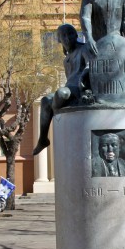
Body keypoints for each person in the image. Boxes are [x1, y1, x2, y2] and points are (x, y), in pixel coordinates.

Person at [33, 24, 90, 155]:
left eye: (70, 34)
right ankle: (43, 139)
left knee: (61, 93)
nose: (67, 38)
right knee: (45, 100)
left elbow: (90, 64)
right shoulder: (66, 60)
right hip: (70, 89)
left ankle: (57, 116)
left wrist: (85, 76)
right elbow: (69, 78)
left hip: (79, 90)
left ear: (76, 35)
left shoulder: (84, 49)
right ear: (59, 40)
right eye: (63, 36)